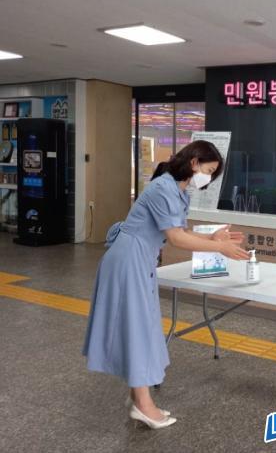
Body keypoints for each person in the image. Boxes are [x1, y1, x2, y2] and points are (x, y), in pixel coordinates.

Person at [82, 140, 249, 429]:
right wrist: (219, 248)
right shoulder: (164, 188)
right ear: (194, 162)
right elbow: (176, 238)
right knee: (138, 328)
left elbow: (177, 231)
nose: (208, 179)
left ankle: (138, 399)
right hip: (129, 260)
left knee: (141, 327)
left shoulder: (176, 189)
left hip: (138, 259)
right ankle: (144, 405)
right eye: (209, 171)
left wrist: (212, 239)